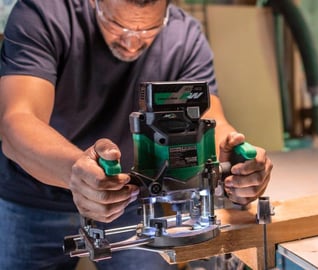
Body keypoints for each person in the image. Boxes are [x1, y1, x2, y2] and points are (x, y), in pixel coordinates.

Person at [0, 0, 273, 269]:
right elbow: (17, 122)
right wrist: (77, 173)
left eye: (147, 30)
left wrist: (237, 157)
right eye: (117, 26)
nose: (132, 43)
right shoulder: (43, 14)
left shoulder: (184, 36)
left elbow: (209, 121)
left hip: (129, 199)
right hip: (32, 200)